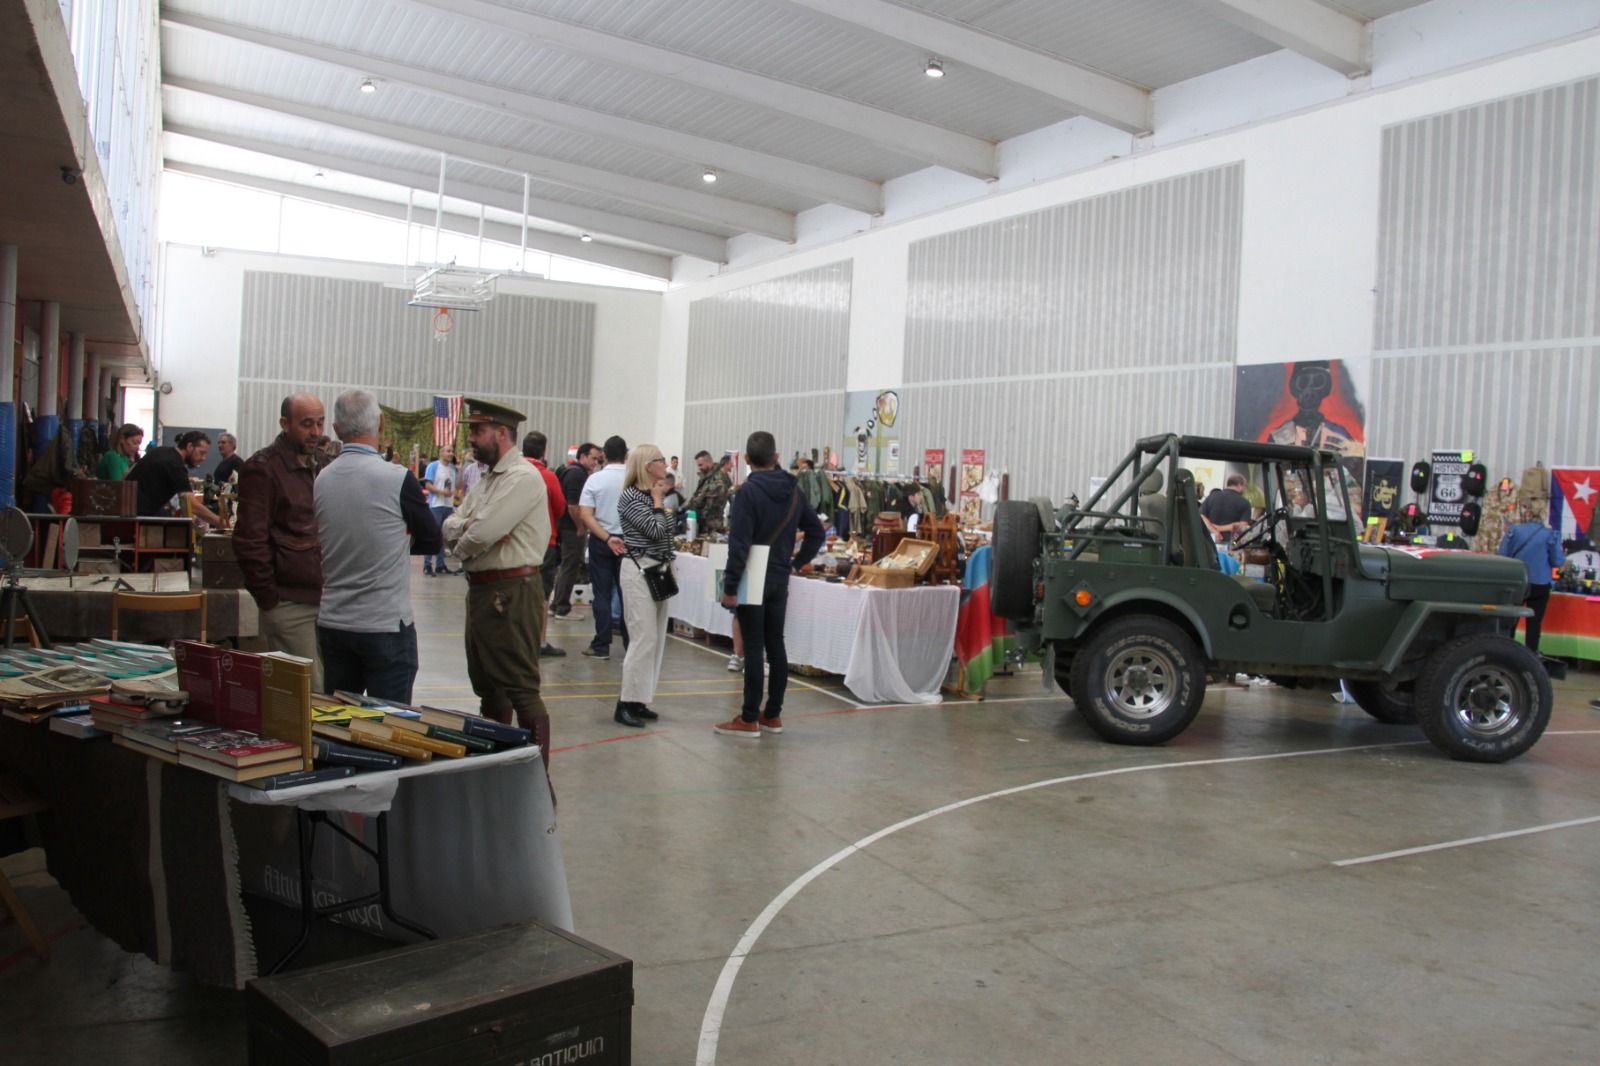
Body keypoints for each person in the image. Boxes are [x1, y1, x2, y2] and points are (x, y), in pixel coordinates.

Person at [442, 399, 554, 765]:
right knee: (489, 687)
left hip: (511, 593)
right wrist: (468, 529)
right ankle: (497, 770)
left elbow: (482, 532)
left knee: (520, 687)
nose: (472, 438)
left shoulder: (522, 477)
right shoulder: (488, 478)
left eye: (478, 430)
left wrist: (467, 538)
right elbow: (451, 522)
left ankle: (537, 780)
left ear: (501, 433)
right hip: (484, 591)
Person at [314, 390, 440, 701]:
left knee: (340, 722)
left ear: (335, 429)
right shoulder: (397, 478)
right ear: (381, 423)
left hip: (334, 622)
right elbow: (432, 539)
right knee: (392, 726)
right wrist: (393, 545)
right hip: (384, 624)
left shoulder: (322, 478)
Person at [714, 431, 824, 739]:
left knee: (753, 647)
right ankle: (772, 715)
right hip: (779, 575)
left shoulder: (746, 493)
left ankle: (749, 717)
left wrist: (730, 586)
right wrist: (797, 561)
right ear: (776, 457)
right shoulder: (794, 491)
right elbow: (816, 531)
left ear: (747, 460)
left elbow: (740, 545)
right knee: (776, 643)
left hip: (752, 576)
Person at [234, 394, 327, 691]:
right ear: (284, 424)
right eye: (306, 424)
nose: (315, 432)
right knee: (307, 699)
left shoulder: (321, 465)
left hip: (325, 601)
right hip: (288, 604)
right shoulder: (263, 468)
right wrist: (270, 600)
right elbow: (249, 539)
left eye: (320, 423)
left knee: (329, 696)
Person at [612, 444, 677, 728]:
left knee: (656, 638)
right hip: (639, 571)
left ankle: (640, 699)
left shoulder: (651, 496)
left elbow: (666, 530)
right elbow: (656, 529)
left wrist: (658, 503)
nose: (666, 464)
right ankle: (625, 703)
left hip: (658, 569)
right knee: (643, 638)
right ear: (649, 466)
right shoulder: (631, 497)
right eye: (661, 460)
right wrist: (659, 503)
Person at [575, 436, 629, 660]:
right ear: (626, 454)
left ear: (604, 455)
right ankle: (630, 644)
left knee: (602, 594)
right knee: (628, 596)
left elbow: (585, 515)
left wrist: (606, 538)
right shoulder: (635, 479)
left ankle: (601, 644)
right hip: (628, 543)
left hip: (602, 541)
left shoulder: (595, 480)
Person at [522, 431, 569, 658]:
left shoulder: (514, 472)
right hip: (544, 541)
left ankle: (518, 639)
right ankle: (539, 642)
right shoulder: (547, 476)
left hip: (517, 542)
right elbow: (560, 507)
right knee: (542, 594)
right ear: (544, 451)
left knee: (518, 590)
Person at [125, 430, 227, 527]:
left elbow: (128, 474)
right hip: (136, 519)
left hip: (130, 512)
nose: (203, 458)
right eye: (201, 453)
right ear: (190, 446)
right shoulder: (175, 465)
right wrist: (221, 522)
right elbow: (191, 503)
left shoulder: (161, 451)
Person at [1499, 507, 1564, 654]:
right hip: (1540, 583)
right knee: (1534, 623)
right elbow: (1557, 561)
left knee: (1510, 620)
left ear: (1526, 515)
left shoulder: (1514, 531)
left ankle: (1505, 651)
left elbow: (1502, 554)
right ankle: (1530, 654)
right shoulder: (1549, 534)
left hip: (1517, 581)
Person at [551, 443, 601, 617]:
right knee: (570, 566)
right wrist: (580, 526)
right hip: (571, 529)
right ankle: (562, 608)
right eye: (593, 458)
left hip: (567, 527)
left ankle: (557, 604)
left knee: (567, 566)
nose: (596, 462)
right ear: (583, 456)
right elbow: (573, 505)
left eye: (598, 459)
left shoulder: (572, 472)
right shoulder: (577, 474)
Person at [421, 447, 459, 576]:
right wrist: (441, 492)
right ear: (441, 453)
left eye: (451, 451)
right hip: (436, 504)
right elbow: (427, 485)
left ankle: (440, 564)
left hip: (448, 506)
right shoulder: (433, 466)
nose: (450, 453)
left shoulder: (453, 469)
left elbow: (455, 486)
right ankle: (427, 564)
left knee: (444, 536)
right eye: (448, 451)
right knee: (433, 534)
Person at [685, 450, 733, 536]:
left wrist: (687, 509)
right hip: (705, 524)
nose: (699, 468)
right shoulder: (707, 476)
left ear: (708, 462)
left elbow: (699, 501)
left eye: (700, 465)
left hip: (711, 527)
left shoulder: (716, 479)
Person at [1201, 474, 1253, 539]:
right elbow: (1243, 526)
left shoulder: (1211, 497)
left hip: (1211, 540)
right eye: (1244, 486)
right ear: (1239, 485)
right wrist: (1226, 527)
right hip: (1232, 541)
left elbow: (1202, 517)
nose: (1244, 489)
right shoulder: (1245, 502)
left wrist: (1215, 530)